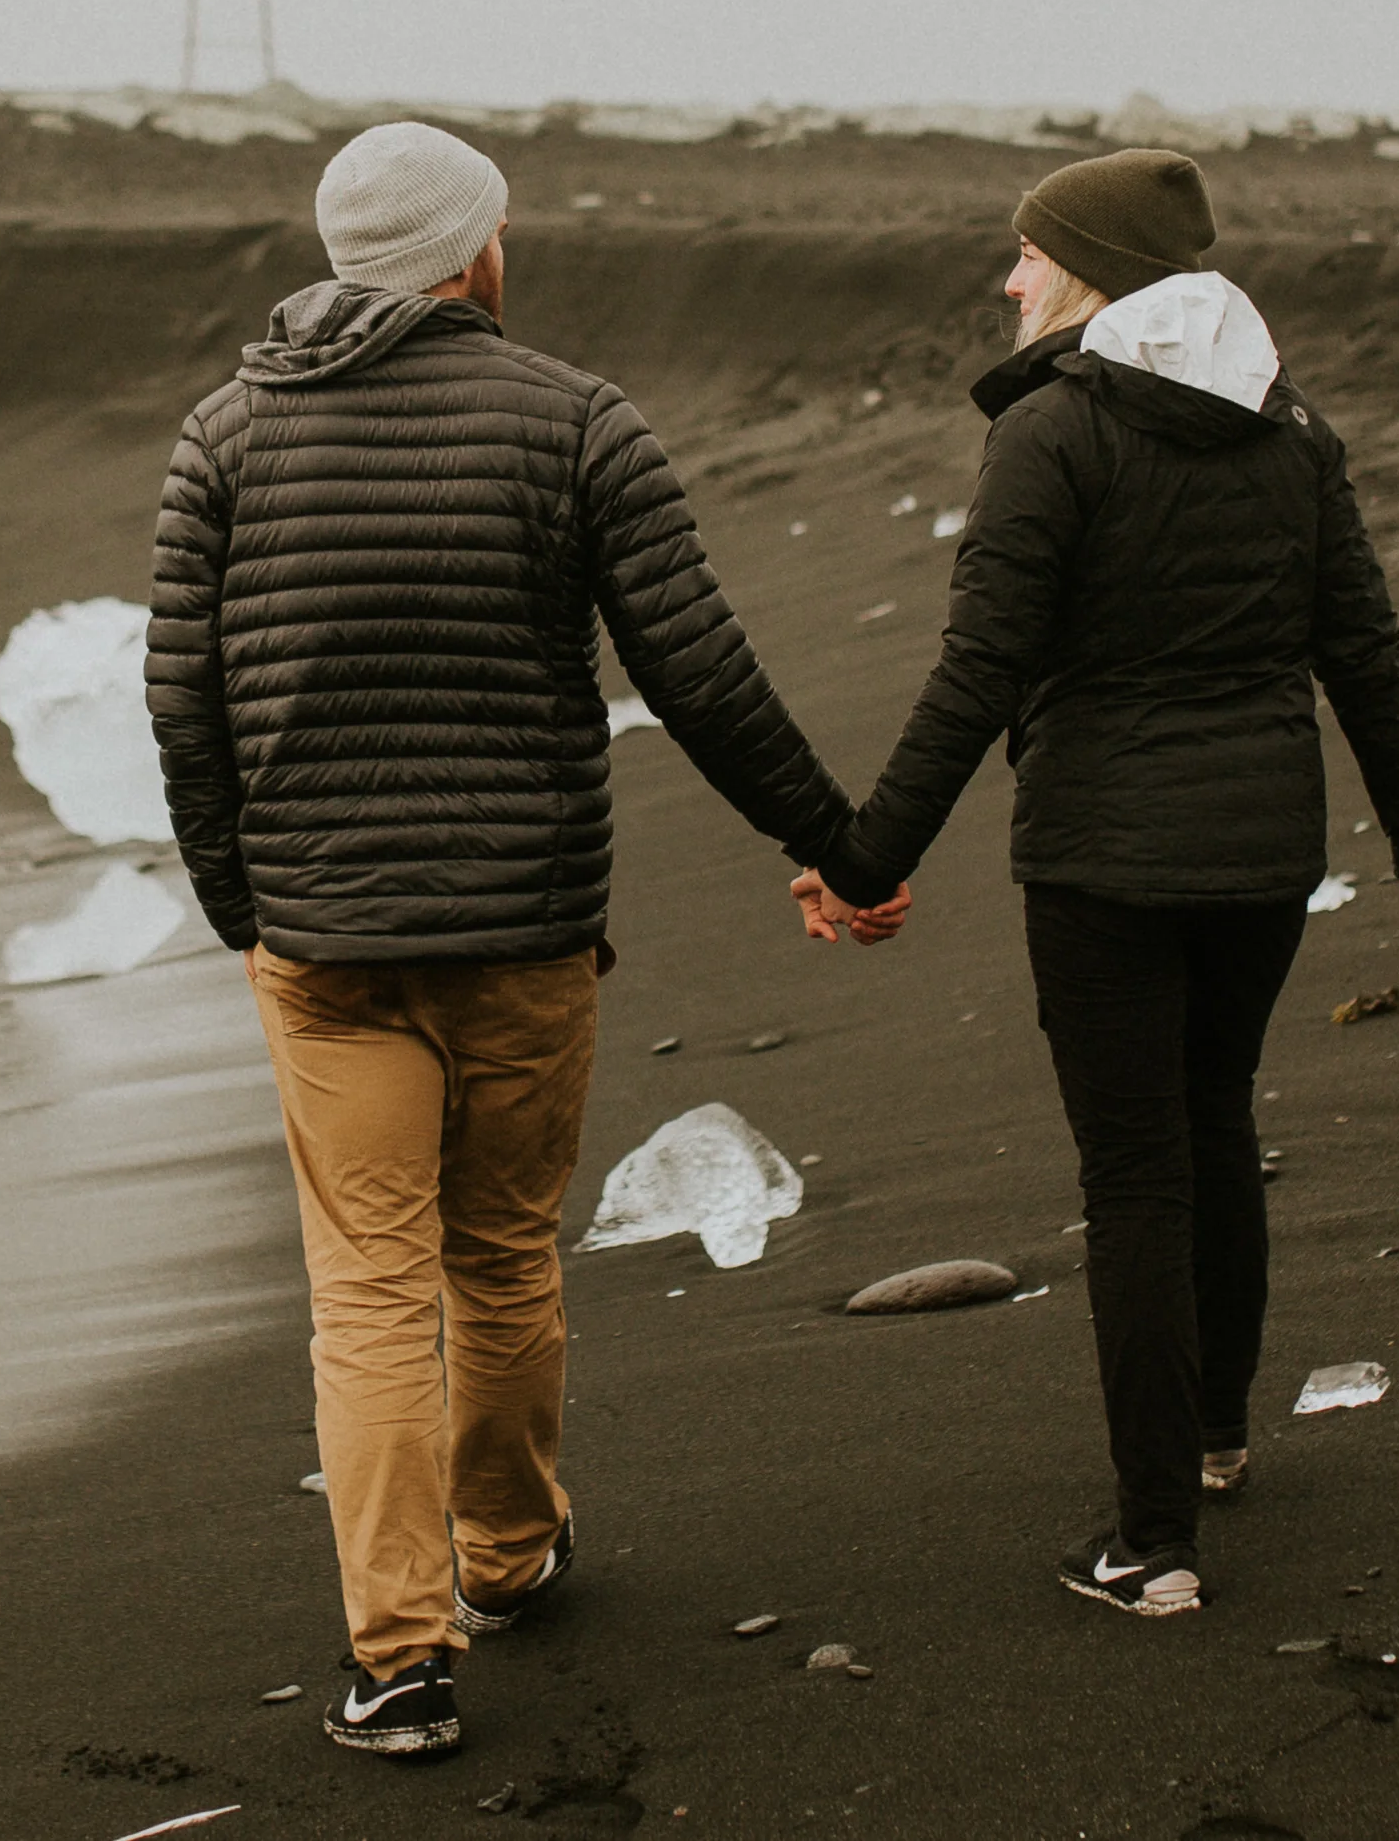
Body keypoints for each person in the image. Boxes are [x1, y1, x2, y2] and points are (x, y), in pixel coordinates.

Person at [147, 120, 906, 1759]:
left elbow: (181, 703)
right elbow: (699, 670)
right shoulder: (575, 418)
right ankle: (508, 1548)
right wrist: (844, 848)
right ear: (474, 253)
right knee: (497, 1253)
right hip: (525, 930)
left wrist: (243, 902)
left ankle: (398, 1658)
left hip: (327, 941)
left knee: (364, 1288)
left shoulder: (224, 433)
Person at [792, 146, 1399, 1618]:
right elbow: (1363, 650)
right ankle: (1217, 1435)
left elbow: (981, 668)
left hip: (1105, 860)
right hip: (1262, 858)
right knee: (1213, 1119)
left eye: (1028, 254)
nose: (1009, 277)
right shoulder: (1290, 424)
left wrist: (862, 857)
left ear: (1094, 268)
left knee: (1137, 1171)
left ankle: (1152, 1537)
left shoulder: (1057, 432)